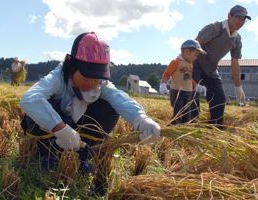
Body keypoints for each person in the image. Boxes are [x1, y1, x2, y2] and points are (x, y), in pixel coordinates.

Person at [19, 32, 162, 174]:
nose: (91, 82)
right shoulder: (59, 77)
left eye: (97, 77)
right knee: (41, 104)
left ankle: (82, 156)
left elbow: (120, 99)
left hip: (78, 133)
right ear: (71, 63)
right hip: (54, 132)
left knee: (109, 107)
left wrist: (141, 120)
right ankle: (49, 153)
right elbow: (30, 99)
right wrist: (60, 128)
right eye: (87, 74)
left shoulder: (101, 86)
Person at [190, 5, 250, 129]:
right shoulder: (215, 28)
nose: (240, 21)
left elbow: (235, 63)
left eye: (243, 19)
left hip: (211, 70)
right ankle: (192, 126)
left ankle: (215, 128)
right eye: (238, 17)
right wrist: (186, 64)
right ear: (229, 16)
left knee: (220, 97)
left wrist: (238, 87)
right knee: (193, 95)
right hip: (196, 65)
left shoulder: (237, 39)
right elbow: (195, 44)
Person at [159, 39, 207, 125]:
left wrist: (196, 86)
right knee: (178, 114)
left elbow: (189, 78)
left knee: (187, 115)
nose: (196, 58)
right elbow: (167, 74)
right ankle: (173, 130)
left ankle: (183, 130)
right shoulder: (175, 62)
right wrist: (163, 85)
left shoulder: (190, 64)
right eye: (195, 55)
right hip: (178, 92)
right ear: (187, 51)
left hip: (188, 92)